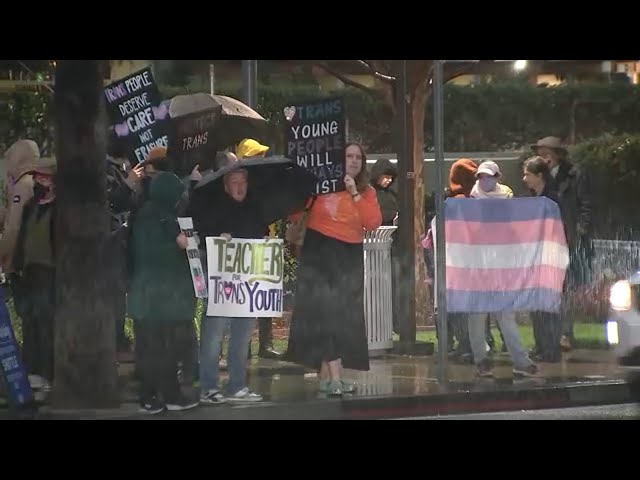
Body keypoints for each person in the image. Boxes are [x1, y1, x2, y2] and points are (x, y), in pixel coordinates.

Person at [286, 142, 382, 396]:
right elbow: (295, 214)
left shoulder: (366, 191)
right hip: (320, 251)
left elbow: (372, 223)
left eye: (357, 157)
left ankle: (328, 377)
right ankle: (334, 377)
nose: (352, 161)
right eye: (348, 156)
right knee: (325, 313)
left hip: (349, 254)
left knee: (345, 316)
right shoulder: (321, 186)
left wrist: (354, 193)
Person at [191, 152, 267, 404]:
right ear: (225, 186)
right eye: (234, 182)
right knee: (213, 337)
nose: (240, 187)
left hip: (247, 284)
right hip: (220, 284)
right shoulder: (212, 210)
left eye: (243, 182)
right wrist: (216, 238)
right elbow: (200, 232)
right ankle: (209, 387)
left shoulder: (254, 209)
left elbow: (261, 234)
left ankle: (237, 386)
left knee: (242, 337)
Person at [127, 171, 199, 414]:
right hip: (151, 299)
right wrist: (180, 244)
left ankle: (168, 394)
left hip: (158, 299)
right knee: (152, 349)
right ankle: (150, 396)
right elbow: (154, 253)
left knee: (165, 349)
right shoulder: (154, 216)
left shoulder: (154, 214)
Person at [467, 161, 539, 378]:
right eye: (480, 177)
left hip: (500, 266)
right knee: (477, 316)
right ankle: (481, 359)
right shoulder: (471, 200)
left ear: (498, 177)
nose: (484, 180)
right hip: (477, 265)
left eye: (488, 176)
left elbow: (512, 230)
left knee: (506, 315)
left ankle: (520, 360)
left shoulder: (507, 197)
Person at [531, 136, 592, 351]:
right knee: (550, 288)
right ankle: (550, 334)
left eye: (547, 152)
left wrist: (580, 231)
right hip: (547, 242)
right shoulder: (539, 178)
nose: (543, 156)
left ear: (557, 155)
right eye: (540, 152)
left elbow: (585, 205)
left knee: (567, 288)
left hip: (569, 239)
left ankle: (565, 333)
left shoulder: (574, 175)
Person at [235, 138, 282, 359]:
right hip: (244, 245)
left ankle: (266, 344)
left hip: (266, 243)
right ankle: (245, 346)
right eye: (256, 156)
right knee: (244, 298)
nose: (261, 159)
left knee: (265, 294)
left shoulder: (266, 182)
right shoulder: (238, 185)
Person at [12, 157, 58, 388]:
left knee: (46, 323)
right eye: (37, 176)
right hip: (29, 271)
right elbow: (22, 237)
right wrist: (16, 265)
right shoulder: (31, 206)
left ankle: (48, 373)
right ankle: (33, 372)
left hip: (50, 272)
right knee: (30, 322)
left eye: (44, 176)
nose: (39, 180)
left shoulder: (60, 208)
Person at [523, 156, 562, 362]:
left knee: (549, 305)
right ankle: (541, 345)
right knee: (536, 305)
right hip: (534, 257)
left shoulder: (552, 199)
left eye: (528, 174)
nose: (524, 178)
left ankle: (551, 348)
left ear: (539, 176)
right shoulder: (533, 198)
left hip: (550, 258)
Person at [0, 140, 38, 321]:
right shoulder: (35, 183)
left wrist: (2, 255)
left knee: (31, 322)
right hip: (37, 264)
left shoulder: (22, 187)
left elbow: (13, 228)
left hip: (23, 267)